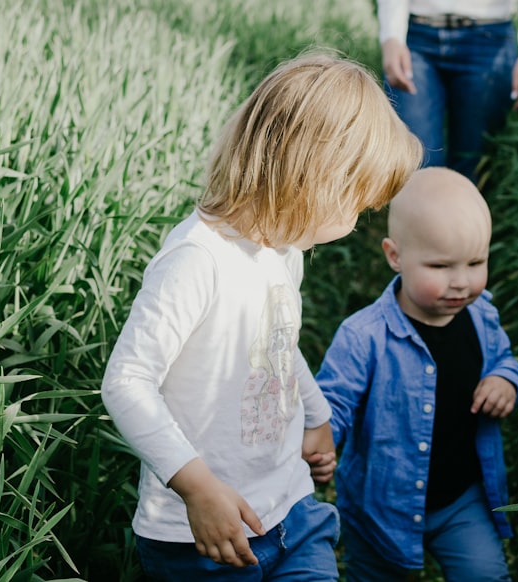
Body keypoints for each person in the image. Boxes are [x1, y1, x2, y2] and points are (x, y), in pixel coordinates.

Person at [101, 51, 423, 581]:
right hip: (203, 537)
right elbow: (127, 381)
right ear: (311, 179)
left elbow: (277, 343)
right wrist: (198, 488)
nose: (355, 223)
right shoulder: (196, 262)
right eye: (355, 205)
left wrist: (315, 415)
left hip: (292, 512)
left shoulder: (282, 251)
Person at [314, 166, 518, 581]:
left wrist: (505, 380)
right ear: (395, 256)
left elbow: (504, 359)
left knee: (485, 575)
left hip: (462, 499)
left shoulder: (482, 317)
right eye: (441, 266)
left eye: (475, 262)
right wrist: (322, 443)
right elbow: (333, 404)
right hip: (380, 506)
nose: (461, 282)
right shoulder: (363, 337)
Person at [378, 0, 518, 183]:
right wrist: (391, 36)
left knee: (473, 170)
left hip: (489, 39)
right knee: (413, 166)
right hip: (416, 37)